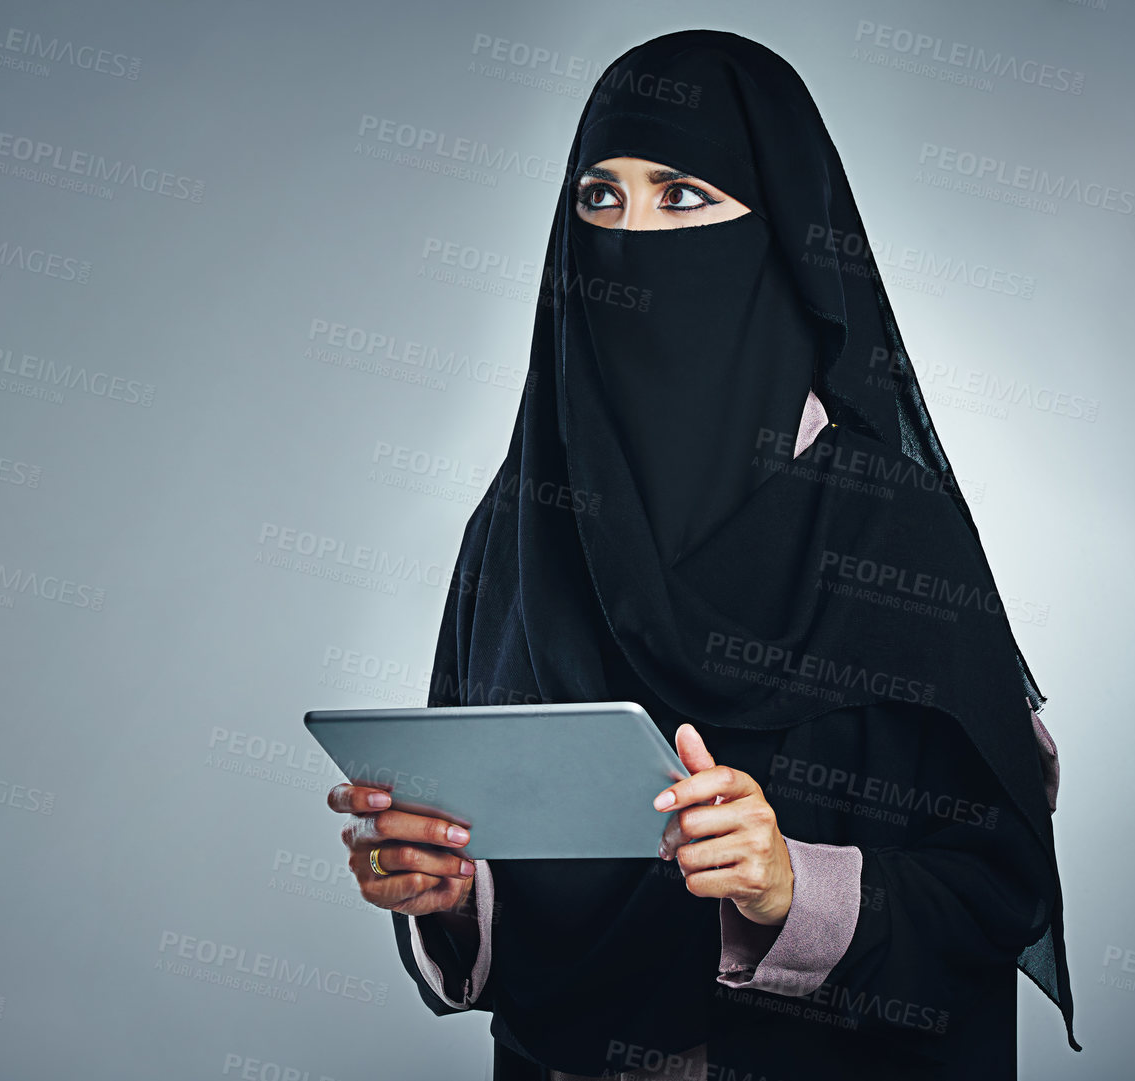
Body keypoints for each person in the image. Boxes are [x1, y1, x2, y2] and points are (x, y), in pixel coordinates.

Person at [326, 29, 1076, 1081]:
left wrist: (788, 888)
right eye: (600, 199)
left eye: (682, 198)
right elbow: (524, 863)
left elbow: (996, 895)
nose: (629, 238)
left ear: (777, 238)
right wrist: (454, 894)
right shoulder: (520, 526)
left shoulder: (887, 530)